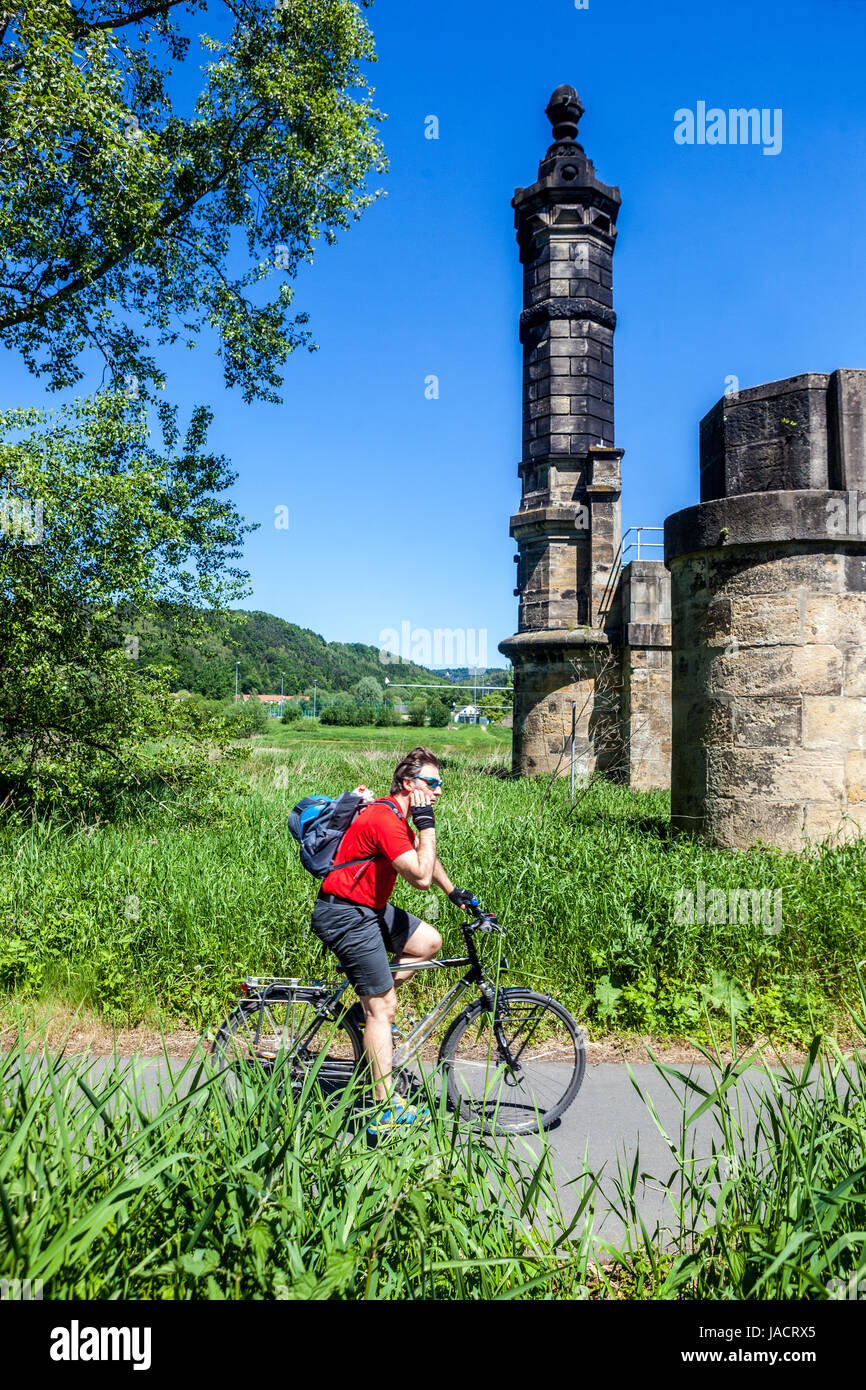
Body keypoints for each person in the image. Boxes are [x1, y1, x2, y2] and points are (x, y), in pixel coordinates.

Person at [310, 746, 474, 1132]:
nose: (437, 791)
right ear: (407, 783)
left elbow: (423, 858)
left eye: (440, 784)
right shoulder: (385, 818)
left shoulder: (395, 815)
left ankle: (367, 1015)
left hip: (368, 907)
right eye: (431, 783)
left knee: (428, 942)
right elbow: (418, 878)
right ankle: (382, 1111)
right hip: (346, 913)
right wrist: (427, 823)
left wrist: (454, 893)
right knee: (384, 1007)